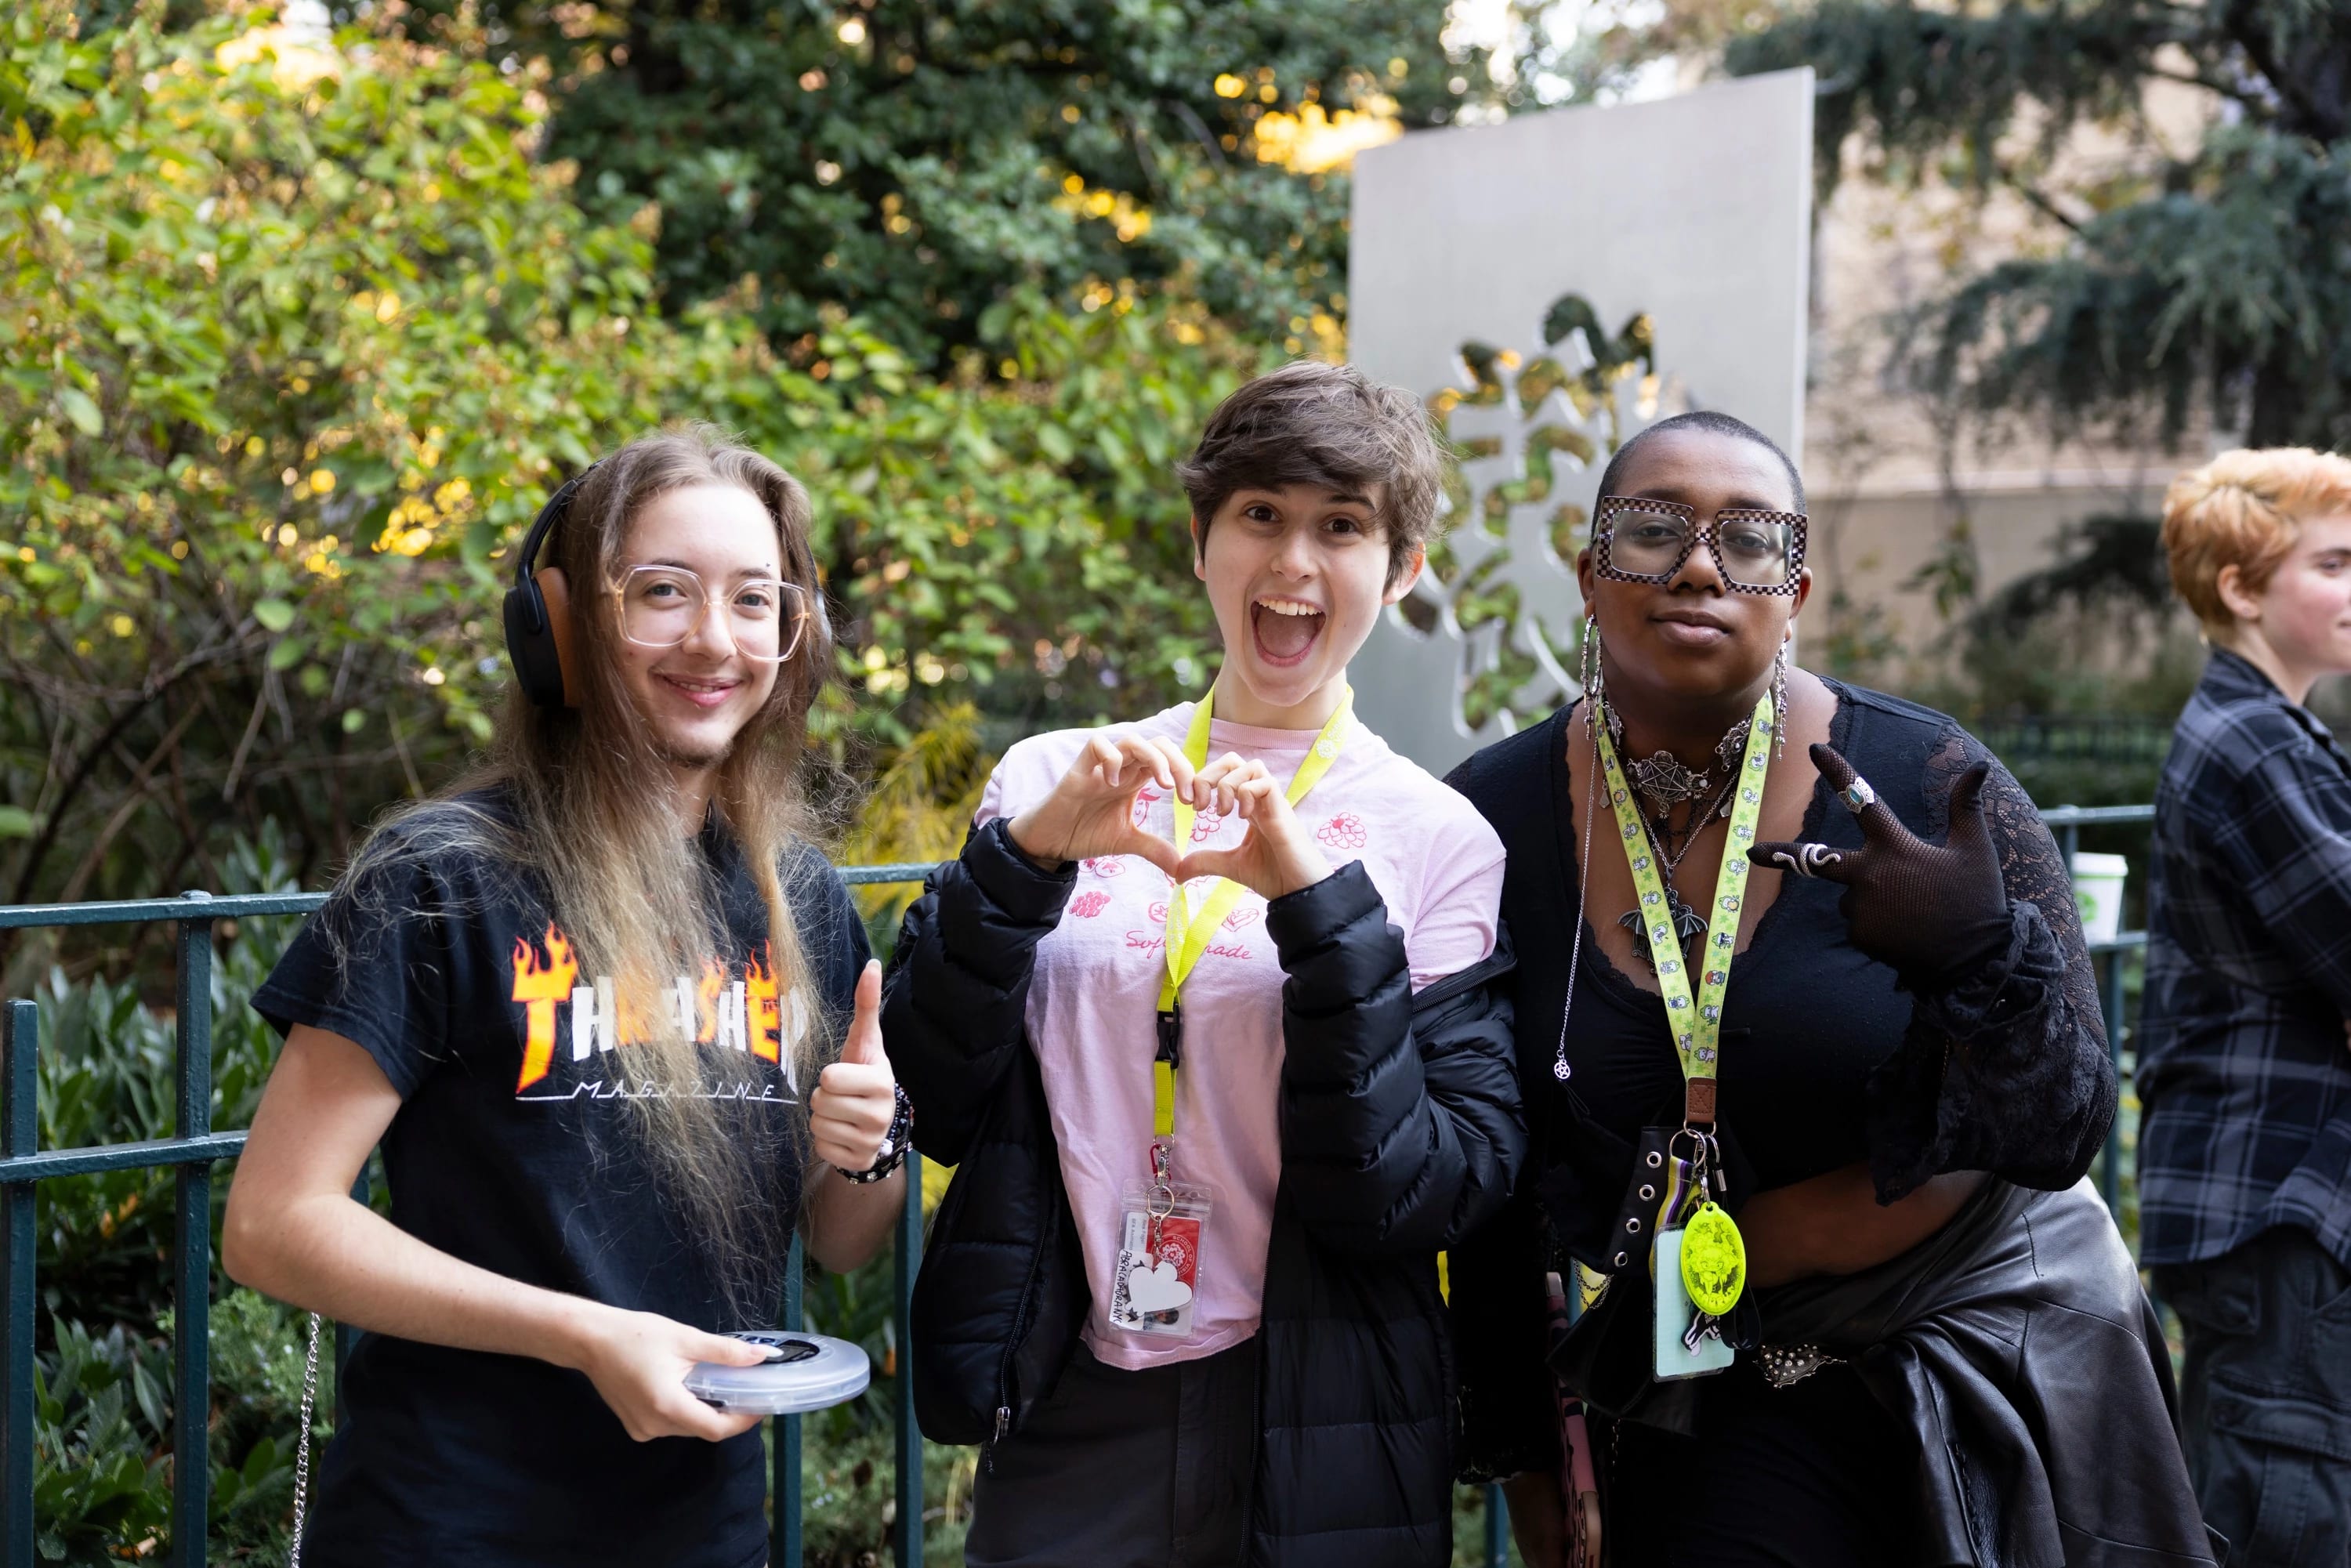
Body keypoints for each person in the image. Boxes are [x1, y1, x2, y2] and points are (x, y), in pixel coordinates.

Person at [1444, 411, 2216, 1567]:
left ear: (1794, 590)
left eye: (1749, 540)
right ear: (1588, 574)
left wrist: (1973, 956)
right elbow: (1486, 1184)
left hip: (1972, 1347)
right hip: (1698, 1371)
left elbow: (2064, 1125)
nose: (1702, 563)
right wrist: (1531, 1462)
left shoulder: (1925, 780)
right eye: (1652, 530)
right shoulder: (1488, 820)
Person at [221, 428, 908, 1568]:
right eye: (662, 592)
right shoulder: (439, 878)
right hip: (451, 1524)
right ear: (561, 625)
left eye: (753, 600)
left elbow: (840, 1244)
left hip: (704, 1531)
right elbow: (273, 1223)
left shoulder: (800, 898)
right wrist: (585, 1335)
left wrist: (866, 1147)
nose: (714, 639)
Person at [882, 361, 1522, 1567]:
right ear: (1200, 541)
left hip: (1321, 1406)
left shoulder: (1440, 837)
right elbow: (937, 1093)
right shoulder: (1052, 778)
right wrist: (1020, 868)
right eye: (1260, 515)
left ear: (1403, 568)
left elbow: (1434, 1186)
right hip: (1072, 1379)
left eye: (1342, 526)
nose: (1293, 564)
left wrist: (1320, 909)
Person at [2137, 448, 2351, 1568]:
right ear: (2241, 585)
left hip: (2279, 1217)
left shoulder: (2287, 741)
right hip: (2277, 1216)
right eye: (2336, 562)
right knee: (2287, 1519)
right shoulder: (2252, 745)